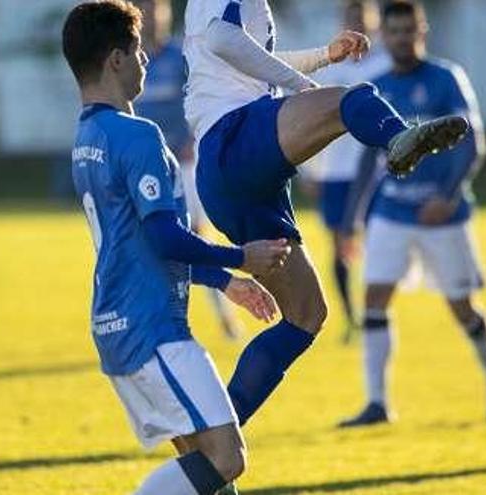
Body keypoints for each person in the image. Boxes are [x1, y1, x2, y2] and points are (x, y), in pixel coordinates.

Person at [183, 0, 470, 428]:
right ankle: (397, 139)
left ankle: (215, 437)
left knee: (306, 316)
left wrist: (321, 57)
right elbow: (224, 41)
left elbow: (243, 57)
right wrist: (303, 86)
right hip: (233, 138)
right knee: (351, 102)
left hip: (229, 178)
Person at [63, 2, 290, 493]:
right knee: (227, 458)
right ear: (116, 60)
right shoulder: (138, 135)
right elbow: (165, 236)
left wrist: (225, 281)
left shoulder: (86, 139)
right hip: (154, 328)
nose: (146, 61)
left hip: (118, 324)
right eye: (138, 51)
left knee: (204, 470)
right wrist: (240, 257)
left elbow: (148, 241)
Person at [338, 0, 486, 428]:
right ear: (384, 36)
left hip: (441, 215)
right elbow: (367, 160)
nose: (401, 38)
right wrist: (350, 218)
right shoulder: (375, 87)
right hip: (391, 211)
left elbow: (473, 142)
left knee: (461, 306)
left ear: (422, 31)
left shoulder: (445, 79)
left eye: (408, 30)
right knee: (374, 297)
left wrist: (448, 196)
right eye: (393, 32)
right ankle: (377, 402)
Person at [134, 0, 244, 340]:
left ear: (166, 13)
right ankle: (155, 318)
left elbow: (202, 96)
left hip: (183, 162)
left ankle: (223, 312)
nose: (151, 16)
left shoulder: (180, 55)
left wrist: (193, 138)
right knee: (148, 240)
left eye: (156, 8)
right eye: (144, 8)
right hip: (146, 166)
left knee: (193, 235)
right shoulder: (130, 61)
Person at [308, 0, 392, 344]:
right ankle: (351, 317)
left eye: (363, 17)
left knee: (380, 242)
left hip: (377, 173)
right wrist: (309, 170)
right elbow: (311, 117)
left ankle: (376, 313)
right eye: (351, 18)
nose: (358, 23)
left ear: (372, 22)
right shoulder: (329, 67)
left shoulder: (386, 66)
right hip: (335, 172)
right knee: (339, 245)